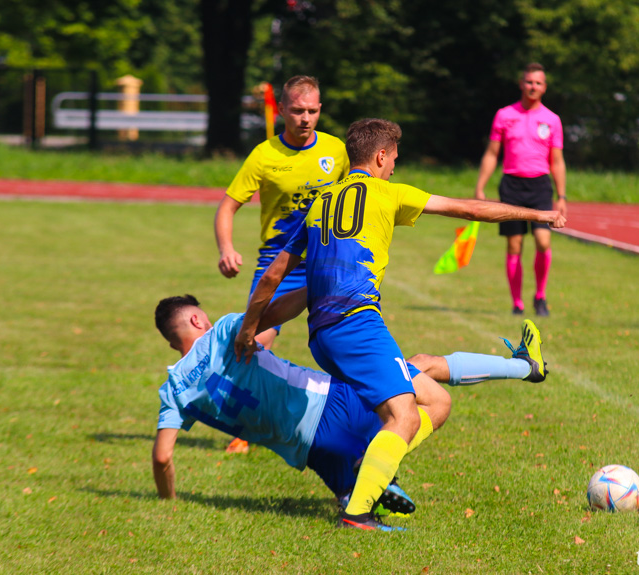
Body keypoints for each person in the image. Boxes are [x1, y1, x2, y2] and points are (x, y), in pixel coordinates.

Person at [235, 118, 565, 530]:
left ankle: (379, 457)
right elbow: (472, 209)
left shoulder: (320, 201)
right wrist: (539, 214)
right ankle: (358, 509)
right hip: (357, 325)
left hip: (322, 333)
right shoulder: (389, 193)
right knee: (405, 417)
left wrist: (249, 327)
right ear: (378, 157)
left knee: (436, 399)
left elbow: (271, 277)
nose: (394, 166)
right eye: (393, 158)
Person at [152, 290, 549, 530]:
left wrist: (168, 503)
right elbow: (270, 323)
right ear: (195, 318)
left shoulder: (173, 392)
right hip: (330, 403)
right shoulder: (221, 332)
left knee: (354, 492)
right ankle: (526, 367)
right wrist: (315, 290)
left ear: (173, 342)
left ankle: (358, 487)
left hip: (309, 450)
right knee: (428, 383)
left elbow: (163, 456)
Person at [214, 75, 349, 350]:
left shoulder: (336, 150)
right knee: (251, 344)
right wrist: (226, 249)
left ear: (320, 109)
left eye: (312, 111)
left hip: (327, 261)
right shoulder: (264, 155)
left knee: (343, 346)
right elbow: (227, 207)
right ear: (282, 109)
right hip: (278, 264)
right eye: (298, 110)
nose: (305, 118)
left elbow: (360, 197)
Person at [474, 62, 566, 317]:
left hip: (539, 185)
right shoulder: (505, 115)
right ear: (521, 84)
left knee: (543, 240)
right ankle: (517, 303)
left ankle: (540, 296)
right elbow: (492, 154)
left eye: (538, 82)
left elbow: (557, 161)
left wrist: (562, 195)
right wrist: (480, 186)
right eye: (529, 82)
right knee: (514, 245)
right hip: (512, 185)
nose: (533, 86)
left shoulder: (552, 119)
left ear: (544, 87)